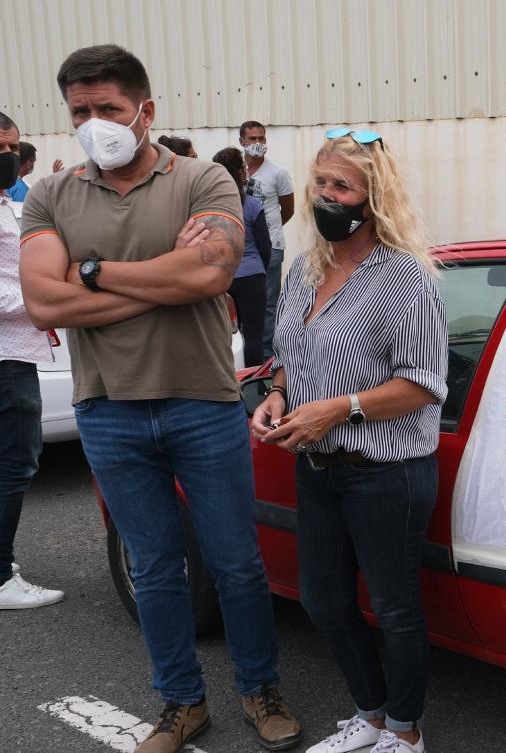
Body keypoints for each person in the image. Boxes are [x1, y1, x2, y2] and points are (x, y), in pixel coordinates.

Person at [18, 45, 301, 753]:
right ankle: (180, 704)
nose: (93, 124)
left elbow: (207, 278)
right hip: (108, 408)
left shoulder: (205, 180)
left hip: (201, 402)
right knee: (153, 568)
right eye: (79, 111)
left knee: (236, 562)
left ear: (146, 109)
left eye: (107, 109)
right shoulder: (54, 195)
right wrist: (158, 276)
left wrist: (91, 273)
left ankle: (260, 688)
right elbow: (41, 302)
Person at [251, 127, 447, 753]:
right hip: (317, 466)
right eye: (319, 183)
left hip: (385, 471)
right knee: (325, 602)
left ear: (374, 197)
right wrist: (279, 394)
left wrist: (337, 409)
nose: (326, 196)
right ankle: (371, 713)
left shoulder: (406, 278)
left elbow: (424, 384)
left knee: (394, 610)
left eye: (342, 186)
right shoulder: (305, 271)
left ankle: (406, 732)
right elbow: (288, 353)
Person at [0, 111, 63, 610]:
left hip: (18, 353)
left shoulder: (7, 201)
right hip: (6, 358)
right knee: (16, 464)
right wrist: (45, 302)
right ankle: (1, 577)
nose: (8, 157)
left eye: (12, 147)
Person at [239, 121, 294, 359]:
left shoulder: (277, 173)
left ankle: (266, 354)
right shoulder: (234, 171)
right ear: (242, 141)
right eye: (252, 139)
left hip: (271, 245)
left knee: (269, 301)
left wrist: (266, 230)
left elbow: (288, 209)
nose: (258, 143)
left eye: (262, 138)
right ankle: (243, 348)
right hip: (241, 249)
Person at [213, 147, 271, 366]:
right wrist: (260, 269)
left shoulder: (214, 207)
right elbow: (264, 246)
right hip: (252, 276)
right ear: (238, 172)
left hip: (222, 277)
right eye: (243, 166)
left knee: (224, 336)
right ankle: (253, 385)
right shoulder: (252, 205)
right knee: (254, 336)